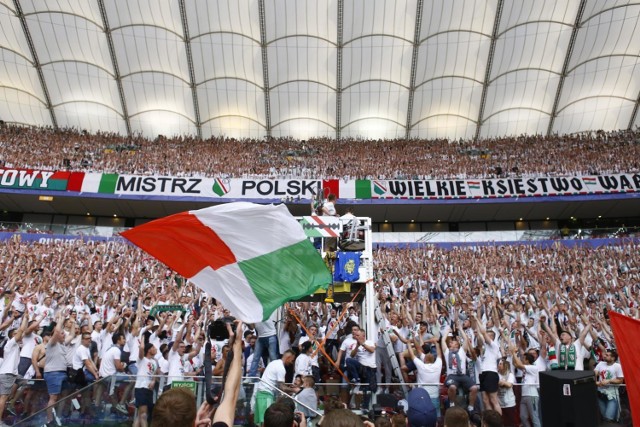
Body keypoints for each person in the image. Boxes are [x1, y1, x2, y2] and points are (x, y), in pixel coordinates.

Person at [254, 350, 300, 426]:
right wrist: (294, 390)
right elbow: (282, 387)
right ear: (288, 357)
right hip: (266, 394)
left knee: (262, 422)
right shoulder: (281, 368)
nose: (291, 363)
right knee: (267, 419)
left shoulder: (273, 363)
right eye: (292, 360)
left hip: (261, 393)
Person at [0, 314, 27, 426]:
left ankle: (12, 400)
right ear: (12, 336)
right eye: (15, 334)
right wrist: (25, 317)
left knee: (28, 383)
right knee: (3, 398)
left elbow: (23, 332)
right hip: (7, 374)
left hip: (14, 375)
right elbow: (21, 330)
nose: (19, 335)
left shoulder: (16, 345)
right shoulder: (10, 343)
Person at [508, 346, 541, 427]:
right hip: (524, 395)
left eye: (523, 358)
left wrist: (513, 353)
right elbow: (515, 364)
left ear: (527, 360)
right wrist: (514, 354)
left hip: (532, 395)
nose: (522, 359)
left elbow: (518, 364)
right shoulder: (526, 368)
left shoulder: (533, 367)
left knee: (534, 417)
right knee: (523, 417)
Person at [346, 328, 377, 411]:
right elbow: (352, 355)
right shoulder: (355, 344)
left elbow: (372, 350)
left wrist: (363, 344)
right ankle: (357, 380)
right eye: (355, 335)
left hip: (370, 368)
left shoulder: (370, 342)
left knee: (367, 388)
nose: (356, 336)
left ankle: (365, 407)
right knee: (348, 361)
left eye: (358, 335)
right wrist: (357, 346)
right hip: (361, 367)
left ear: (363, 336)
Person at [594, 349, 624, 423]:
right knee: (604, 418)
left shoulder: (617, 366)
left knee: (608, 418)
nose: (604, 356)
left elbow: (620, 380)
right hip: (600, 393)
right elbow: (594, 374)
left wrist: (609, 380)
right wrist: (595, 382)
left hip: (612, 394)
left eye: (607, 355)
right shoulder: (600, 364)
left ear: (613, 358)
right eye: (605, 354)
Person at [496, 359, 517, 427]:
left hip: (510, 403)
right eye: (499, 364)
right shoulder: (497, 375)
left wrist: (501, 382)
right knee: (502, 422)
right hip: (500, 404)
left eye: (500, 364)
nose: (499, 365)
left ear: (505, 365)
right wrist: (502, 382)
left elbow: (509, 385)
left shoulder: (510, 375)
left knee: (511, 422)